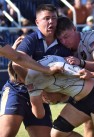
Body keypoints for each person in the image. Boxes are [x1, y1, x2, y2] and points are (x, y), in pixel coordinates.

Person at [9, 4, 71, 137]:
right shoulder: (30, 39)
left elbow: (68, 78)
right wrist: (36, 88)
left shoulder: (64, 47)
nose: (51, 22)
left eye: (54, 18)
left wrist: (61, 96)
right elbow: (16, 64)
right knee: (6, 133)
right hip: (18, 90)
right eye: (46, 18)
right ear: (37, 22)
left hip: (41, 95)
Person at [25, 55, 94, 137]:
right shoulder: (49, 58)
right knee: (57, 133)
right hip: (80, 100)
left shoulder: (32, 78)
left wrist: (37, 98)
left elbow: (39, 114)